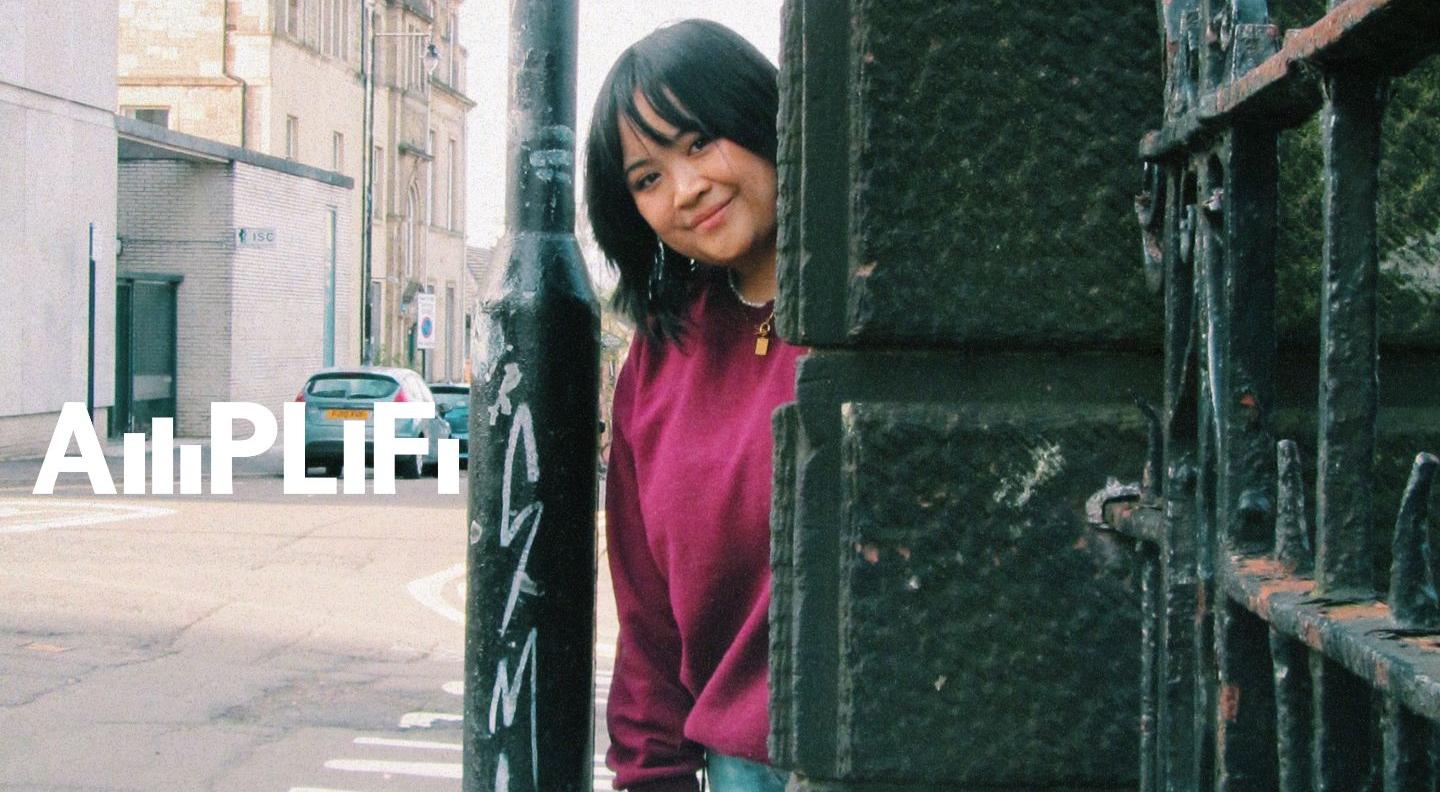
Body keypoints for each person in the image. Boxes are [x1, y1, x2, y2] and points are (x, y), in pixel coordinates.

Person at [584, 19, 802, 792]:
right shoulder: (658, 359)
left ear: (764, 115)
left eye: (700, 140)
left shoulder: (878, 315)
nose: (686, 189)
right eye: (647, 178)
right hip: (741, 771)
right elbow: (648, 627)